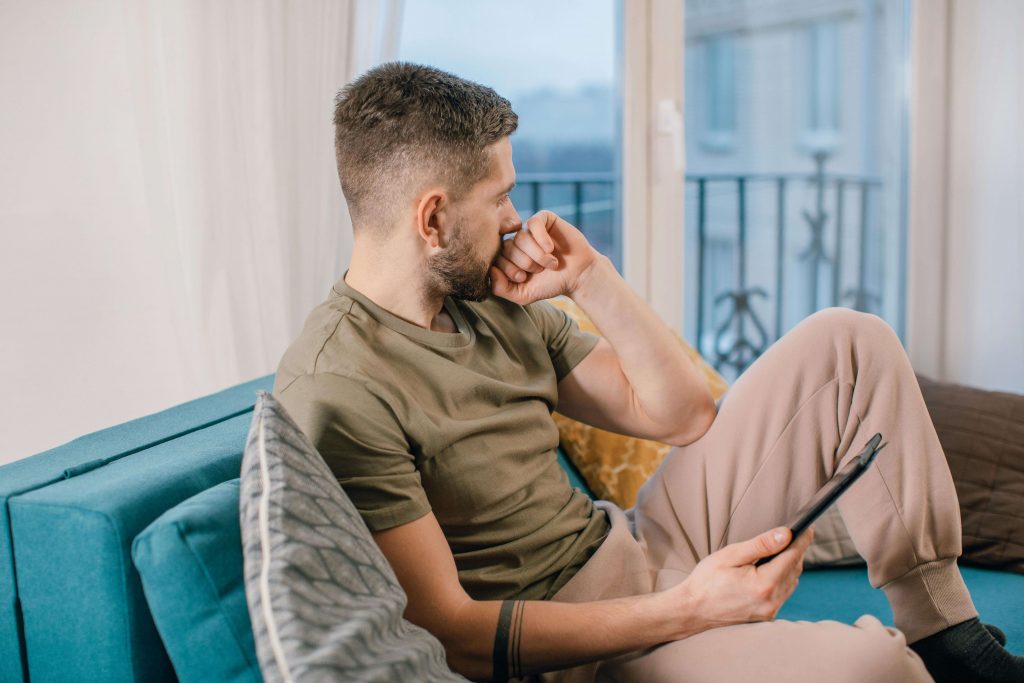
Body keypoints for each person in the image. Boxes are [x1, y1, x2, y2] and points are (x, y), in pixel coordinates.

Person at [273, 62, 1023, 683]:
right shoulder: (341, 387)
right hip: (587, 653)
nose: (515, 218)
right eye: (499, 196)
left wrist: (592, 276)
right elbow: (457, 633)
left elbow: (682, 414)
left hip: (637, 548)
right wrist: (695, 607)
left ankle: (947, 632)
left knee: (849, 342)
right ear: (432, 219)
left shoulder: (489, 302)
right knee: (872, 671)